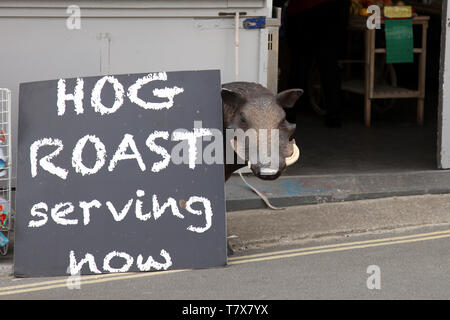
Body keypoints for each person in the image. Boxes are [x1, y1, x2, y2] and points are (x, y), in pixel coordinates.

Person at [286, 0, 350, 127]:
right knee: (329, 65)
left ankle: (290, 113)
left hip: (305, 11)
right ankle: (334, 115)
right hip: (332, 10)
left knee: (300, 64)